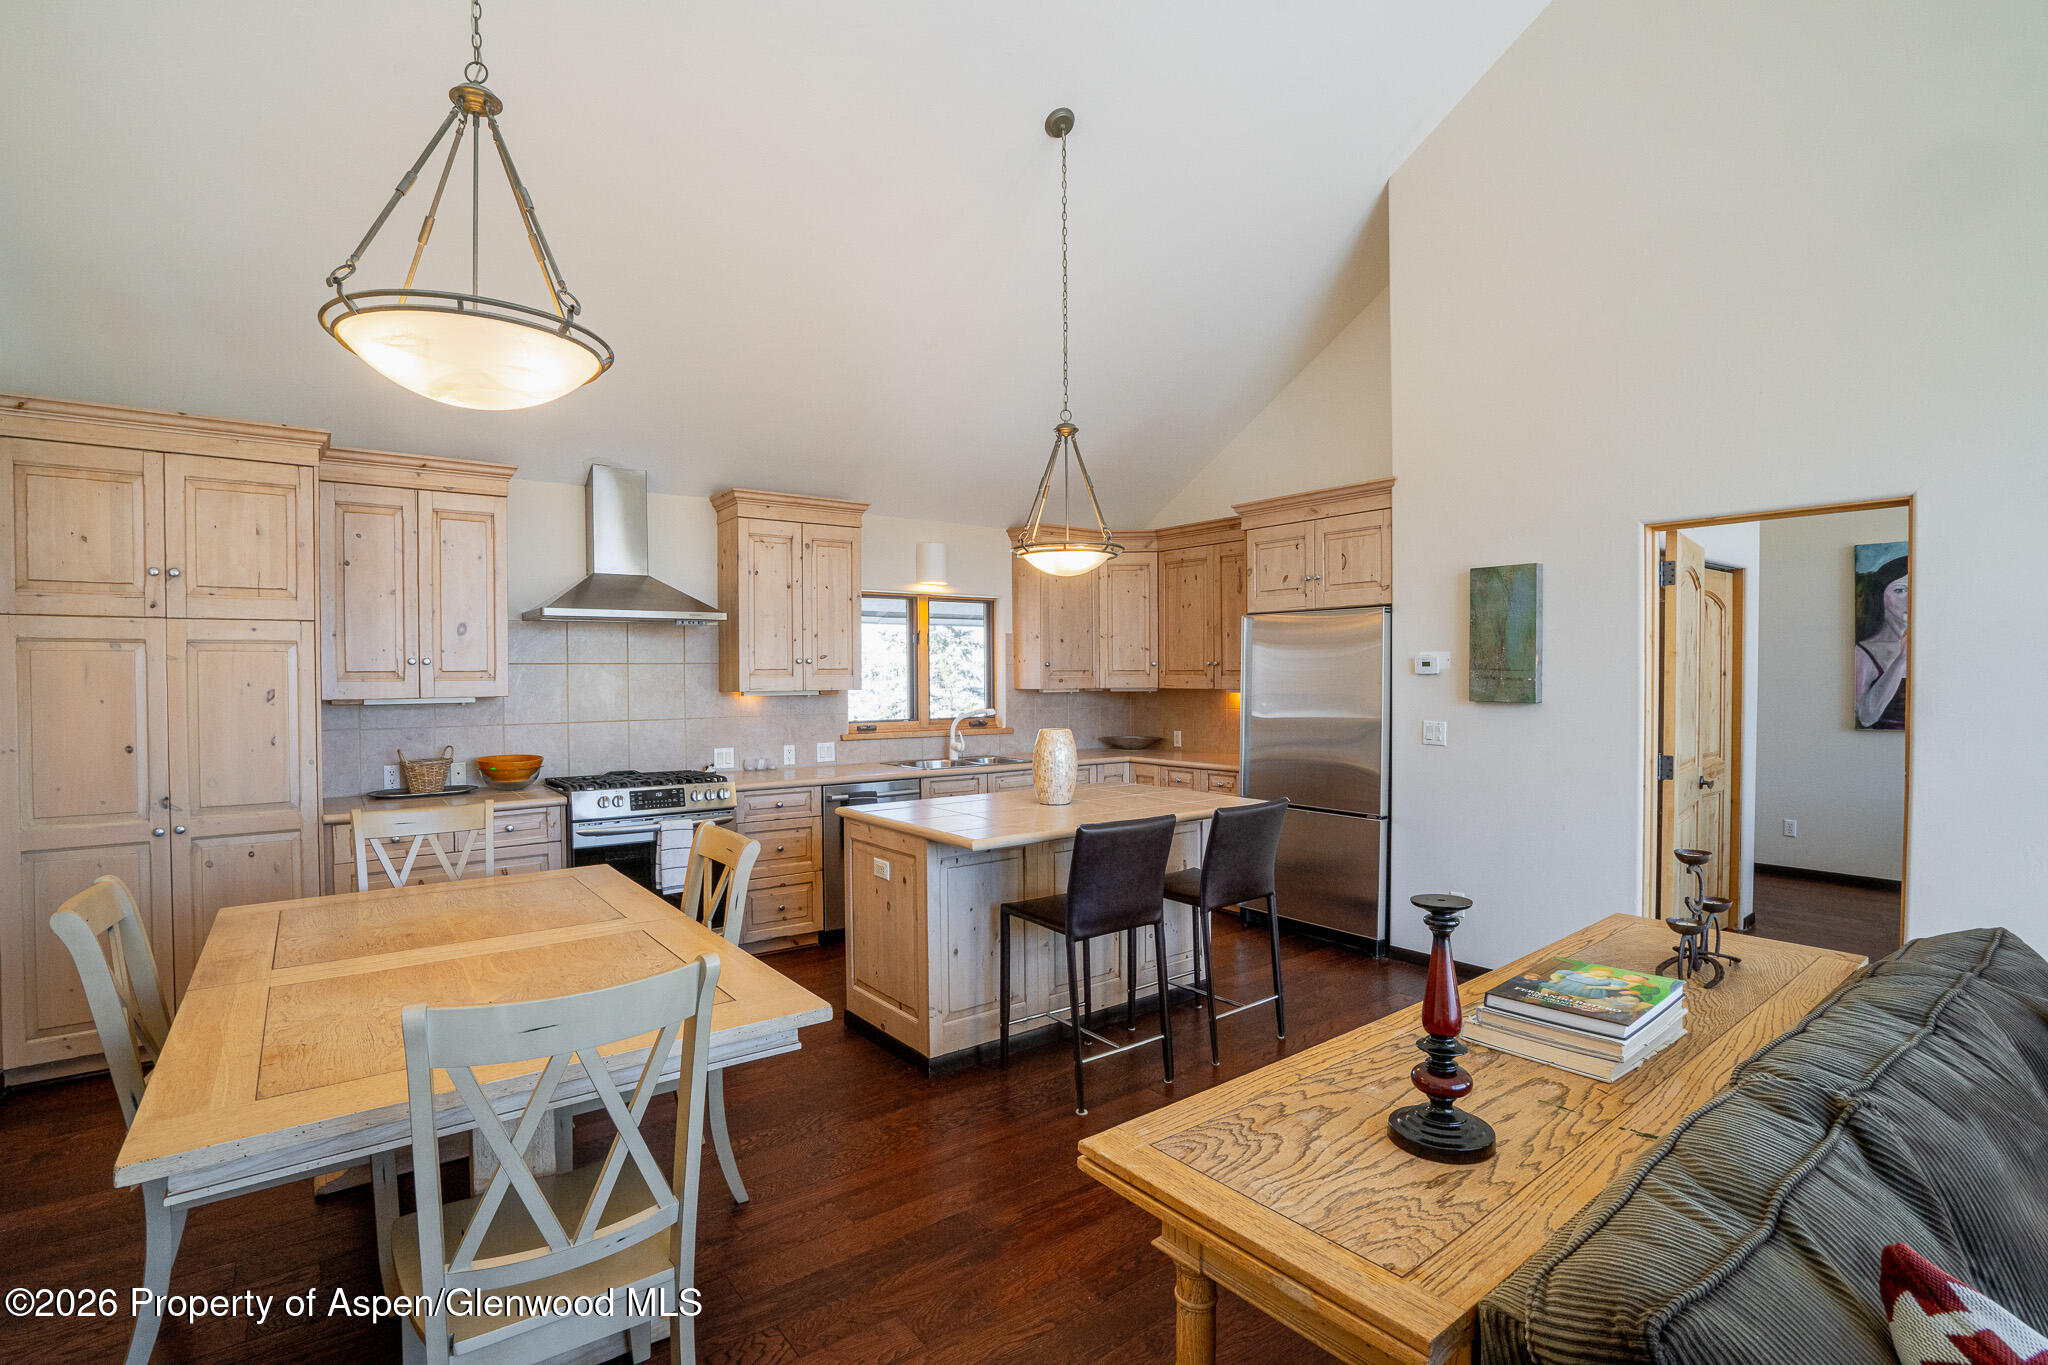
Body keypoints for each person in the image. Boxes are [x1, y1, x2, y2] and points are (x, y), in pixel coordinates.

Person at [1854, 555, 1908, 730]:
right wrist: (1902, 658)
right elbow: (1866, 717)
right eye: (1900, 590)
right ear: (1881, 596)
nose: (1911, 599)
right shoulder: (1863, 652)